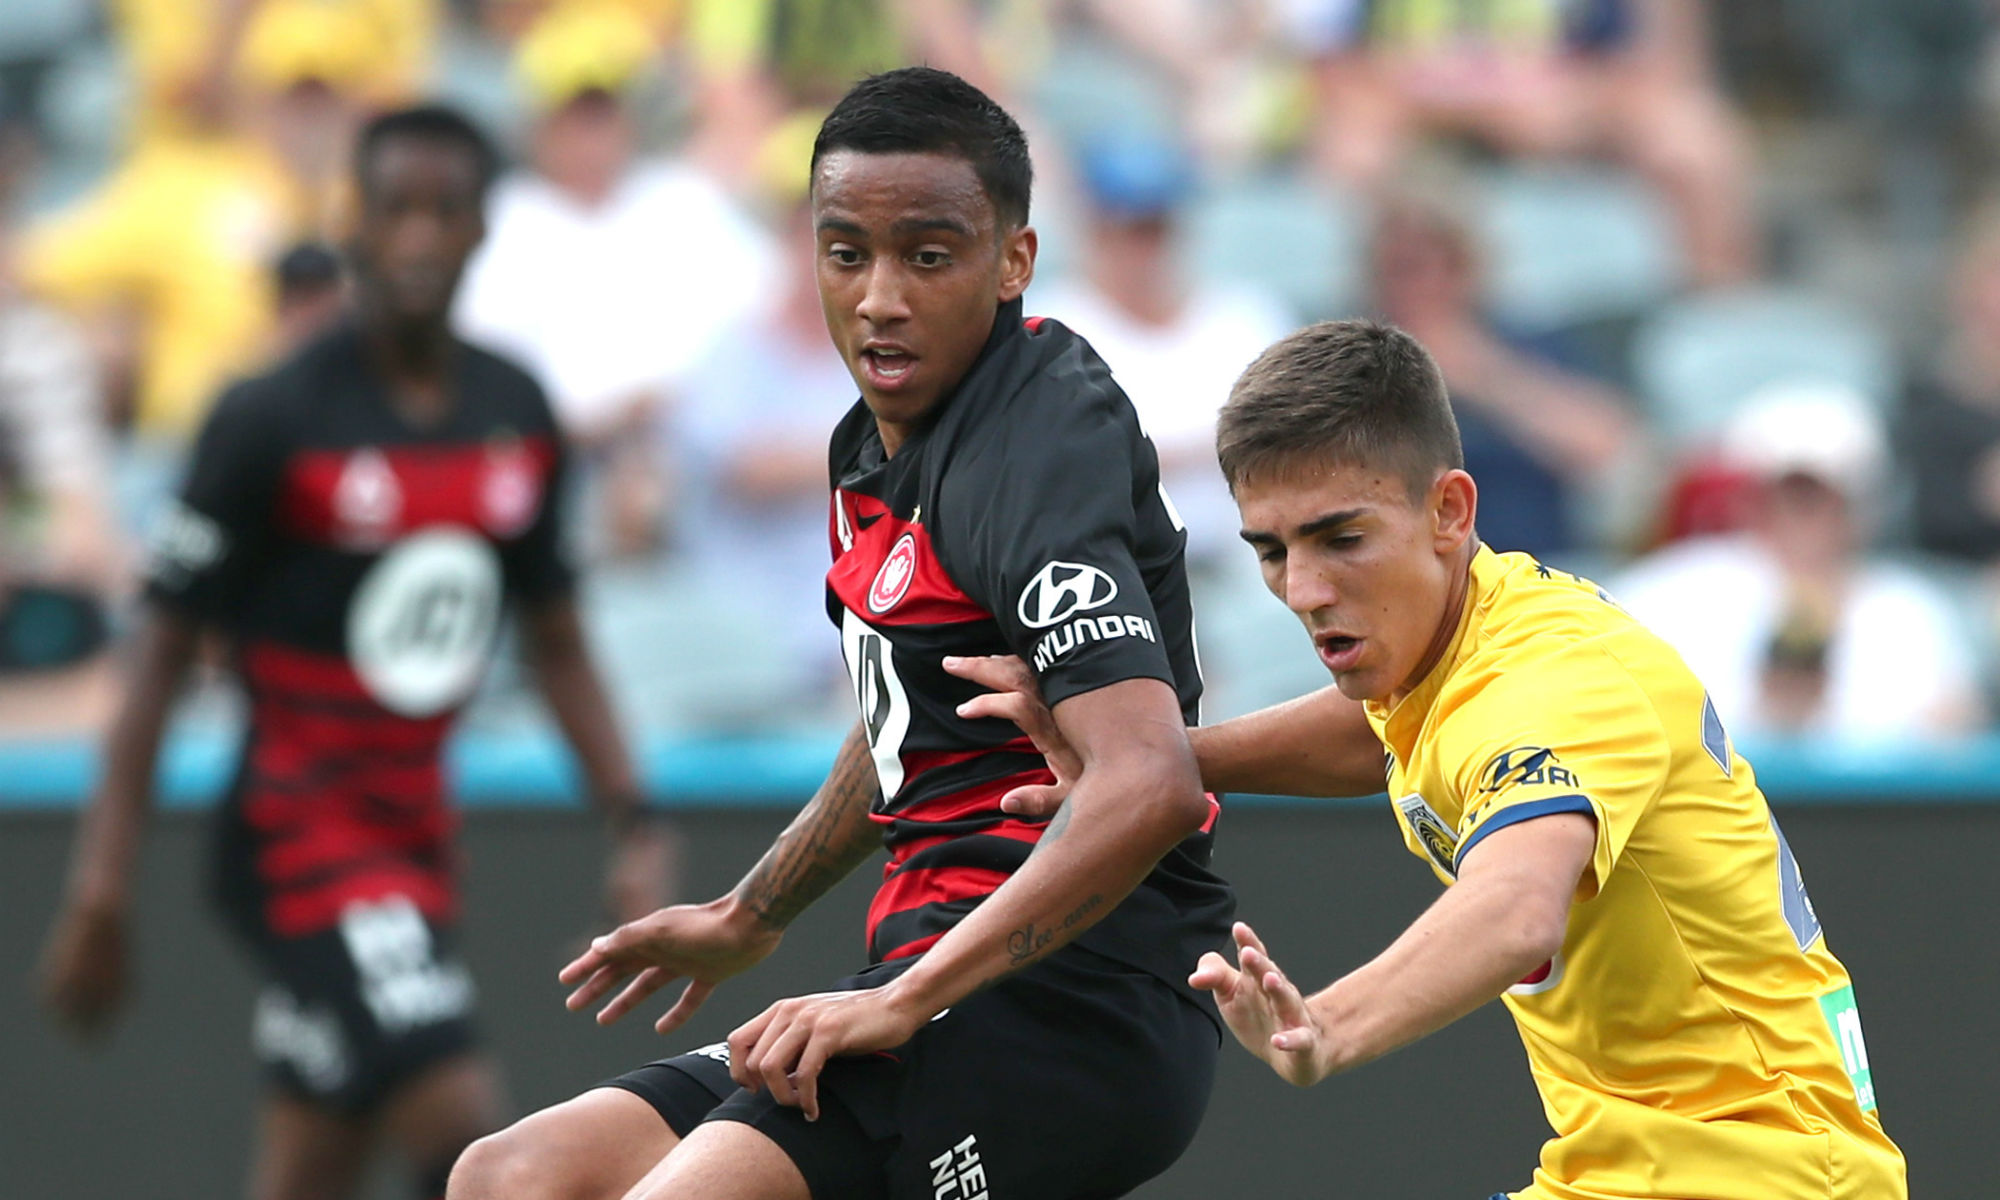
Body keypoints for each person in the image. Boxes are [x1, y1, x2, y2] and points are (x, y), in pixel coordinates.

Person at [447, 66, 1235, 1200]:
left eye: (927, 255)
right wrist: (748, 912)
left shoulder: (1039, 440)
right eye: (844, 252)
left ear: (1012, 260)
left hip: (1081, 1003)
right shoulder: (868, 450)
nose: (877, 298)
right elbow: (899, 721)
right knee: (509, 1176)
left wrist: (903, 1000)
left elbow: (1148, 781)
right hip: (922, 982)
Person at [947, 321, 1907, 1198]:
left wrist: (1329, 1025)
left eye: (1341, 538)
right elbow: (1378, 736)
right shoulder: (1457, 640)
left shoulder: (1556, 680)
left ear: (1449, 509)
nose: (1305, 589)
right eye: (1272, 550)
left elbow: (1518, 906)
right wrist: (1146, 760)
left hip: (1763, 1174)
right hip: (1626, 1170)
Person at [35, 105, 670, 1200]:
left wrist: (631, 814)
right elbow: (155, 655)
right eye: (394, 210)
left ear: (482, 230)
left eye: (445, 211)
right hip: (294, 839)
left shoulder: (511, 411)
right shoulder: (270, 415)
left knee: (312, 1161)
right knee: (466, 1131)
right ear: (353, 226)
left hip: (414, 840)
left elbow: (557, 639)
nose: (419, 236)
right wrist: (101, 887)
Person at [1617, 382, 1982, 742]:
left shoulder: (1911, 613)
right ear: (1747, 500)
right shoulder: (1667, 593)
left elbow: (1950, 741)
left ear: (1862, 509)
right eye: (1787, 496)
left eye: (1820, 498)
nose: (1804, 519)